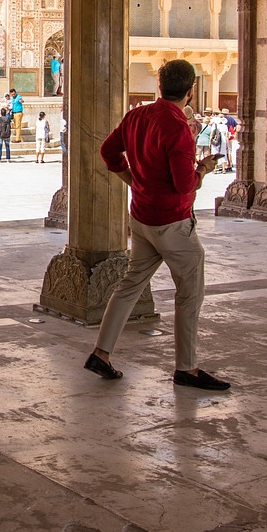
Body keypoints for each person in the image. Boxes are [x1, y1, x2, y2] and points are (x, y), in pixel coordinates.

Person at [84, 59, 231, 391]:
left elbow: (108, 151)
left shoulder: (138, 115)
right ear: (190, 91)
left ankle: (101, 353)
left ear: (160, 85)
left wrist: (132, 180)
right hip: (172, 223)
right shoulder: (177, 126)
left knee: (130, 285)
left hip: (142, 217)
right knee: (190, 293)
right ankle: (186, 368)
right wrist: (204, 168)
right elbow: (183, 184)